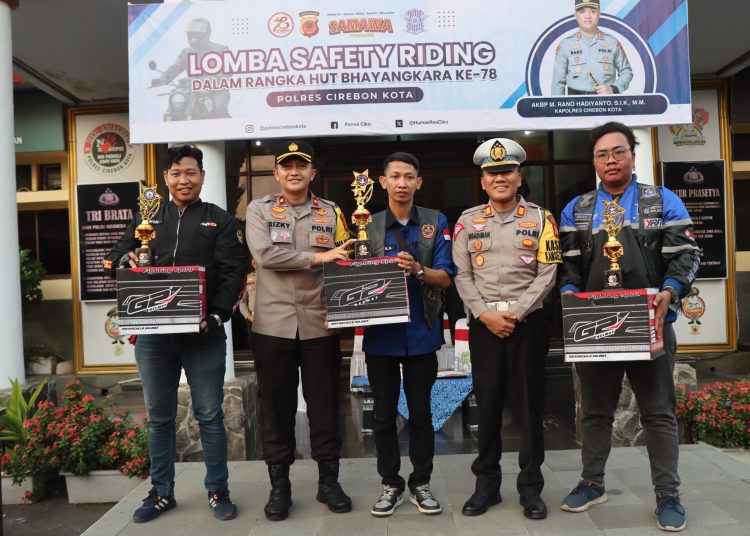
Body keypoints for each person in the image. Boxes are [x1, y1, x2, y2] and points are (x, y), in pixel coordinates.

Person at [557, 121, 699, 532]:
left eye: (618, 151)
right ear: (594, 161)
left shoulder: (661, 201)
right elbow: (567, 267)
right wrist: (567, 292)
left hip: (649, 323)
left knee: (658, 413)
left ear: (632, 155)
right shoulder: (578, 209)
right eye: (602, 154)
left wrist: (670, 291)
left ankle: (668, 494)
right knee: (595, 412)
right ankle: (592, 482)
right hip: (595, 326)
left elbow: (686, 255)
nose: (610, 160)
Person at [104, 145, 248, 523]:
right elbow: (115, 258)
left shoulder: (221, 221)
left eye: (191, 172)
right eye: (176, 173)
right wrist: (126, 259)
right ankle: (161, 492)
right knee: (159, 418)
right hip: (153, 337)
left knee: (210, 415)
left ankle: (218, 490)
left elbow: (233, 274)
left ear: (202, 176)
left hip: (204, 334)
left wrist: (216, 317)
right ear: (165, 178)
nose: (184, 180)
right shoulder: (145, 218)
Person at [453, 137, 561, 520]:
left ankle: (531, 489)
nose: (499, 178)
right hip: (484, 327)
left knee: (530, 407)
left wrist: (513, 313)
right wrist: (485, 315)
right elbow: (461, 276)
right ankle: (487, 486)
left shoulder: (542, 219)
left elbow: (547, 274)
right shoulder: (467, 221)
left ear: (518, 176)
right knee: (489, 404)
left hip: (527, 325)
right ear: (483, 181)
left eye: (506, 171)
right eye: (491, 173)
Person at [245, 140, 354, 521]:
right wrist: (318, 257)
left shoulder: (332, 212)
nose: (294, 171)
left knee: (325, 405)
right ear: (276, 173)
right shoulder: (259, 210)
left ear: (312, 173)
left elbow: (346, 260)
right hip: (273, 325)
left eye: (301, 165)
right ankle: (280, 487)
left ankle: (329, 482)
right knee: (276, 408)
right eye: (286, 166)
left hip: (320, 323)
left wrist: (342, 308)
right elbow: (266, 256)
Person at [362, 152, 455, 517]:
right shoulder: (366, 224)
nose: (402, 182)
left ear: (419, 182)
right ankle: (391, 484)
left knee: (420, 413)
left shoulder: (436, 221)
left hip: (421, 332)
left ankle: (421, 483)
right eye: (395, 176)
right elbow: (352, 275)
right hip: (380, 336)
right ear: (382, 182)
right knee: (383, 414)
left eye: (409, 176)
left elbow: (446, 277)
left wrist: (418, 270)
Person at [151, 17, 231, 118]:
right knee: (174, 107)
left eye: (197, 34)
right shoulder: (187, 52)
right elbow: (175, 67)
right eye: (191, 34)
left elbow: (226, 73)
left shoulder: (220, 49)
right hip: (192, 90)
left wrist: (210, 84)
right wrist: (162, 78)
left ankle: (225, 129)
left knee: (219, 107)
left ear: (206, 34)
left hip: (215, 91)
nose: (193, 37)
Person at [551, 0, 633, 95]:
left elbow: (626, 71)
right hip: (574, 104)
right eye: (582, 11)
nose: (588, 16)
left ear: (599, 14)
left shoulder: (612, 42)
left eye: (593, 11)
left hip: (606, 104)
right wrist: (557, 107)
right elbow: (557, 83)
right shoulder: (565, 44)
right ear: (576, 15)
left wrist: (614, 89)